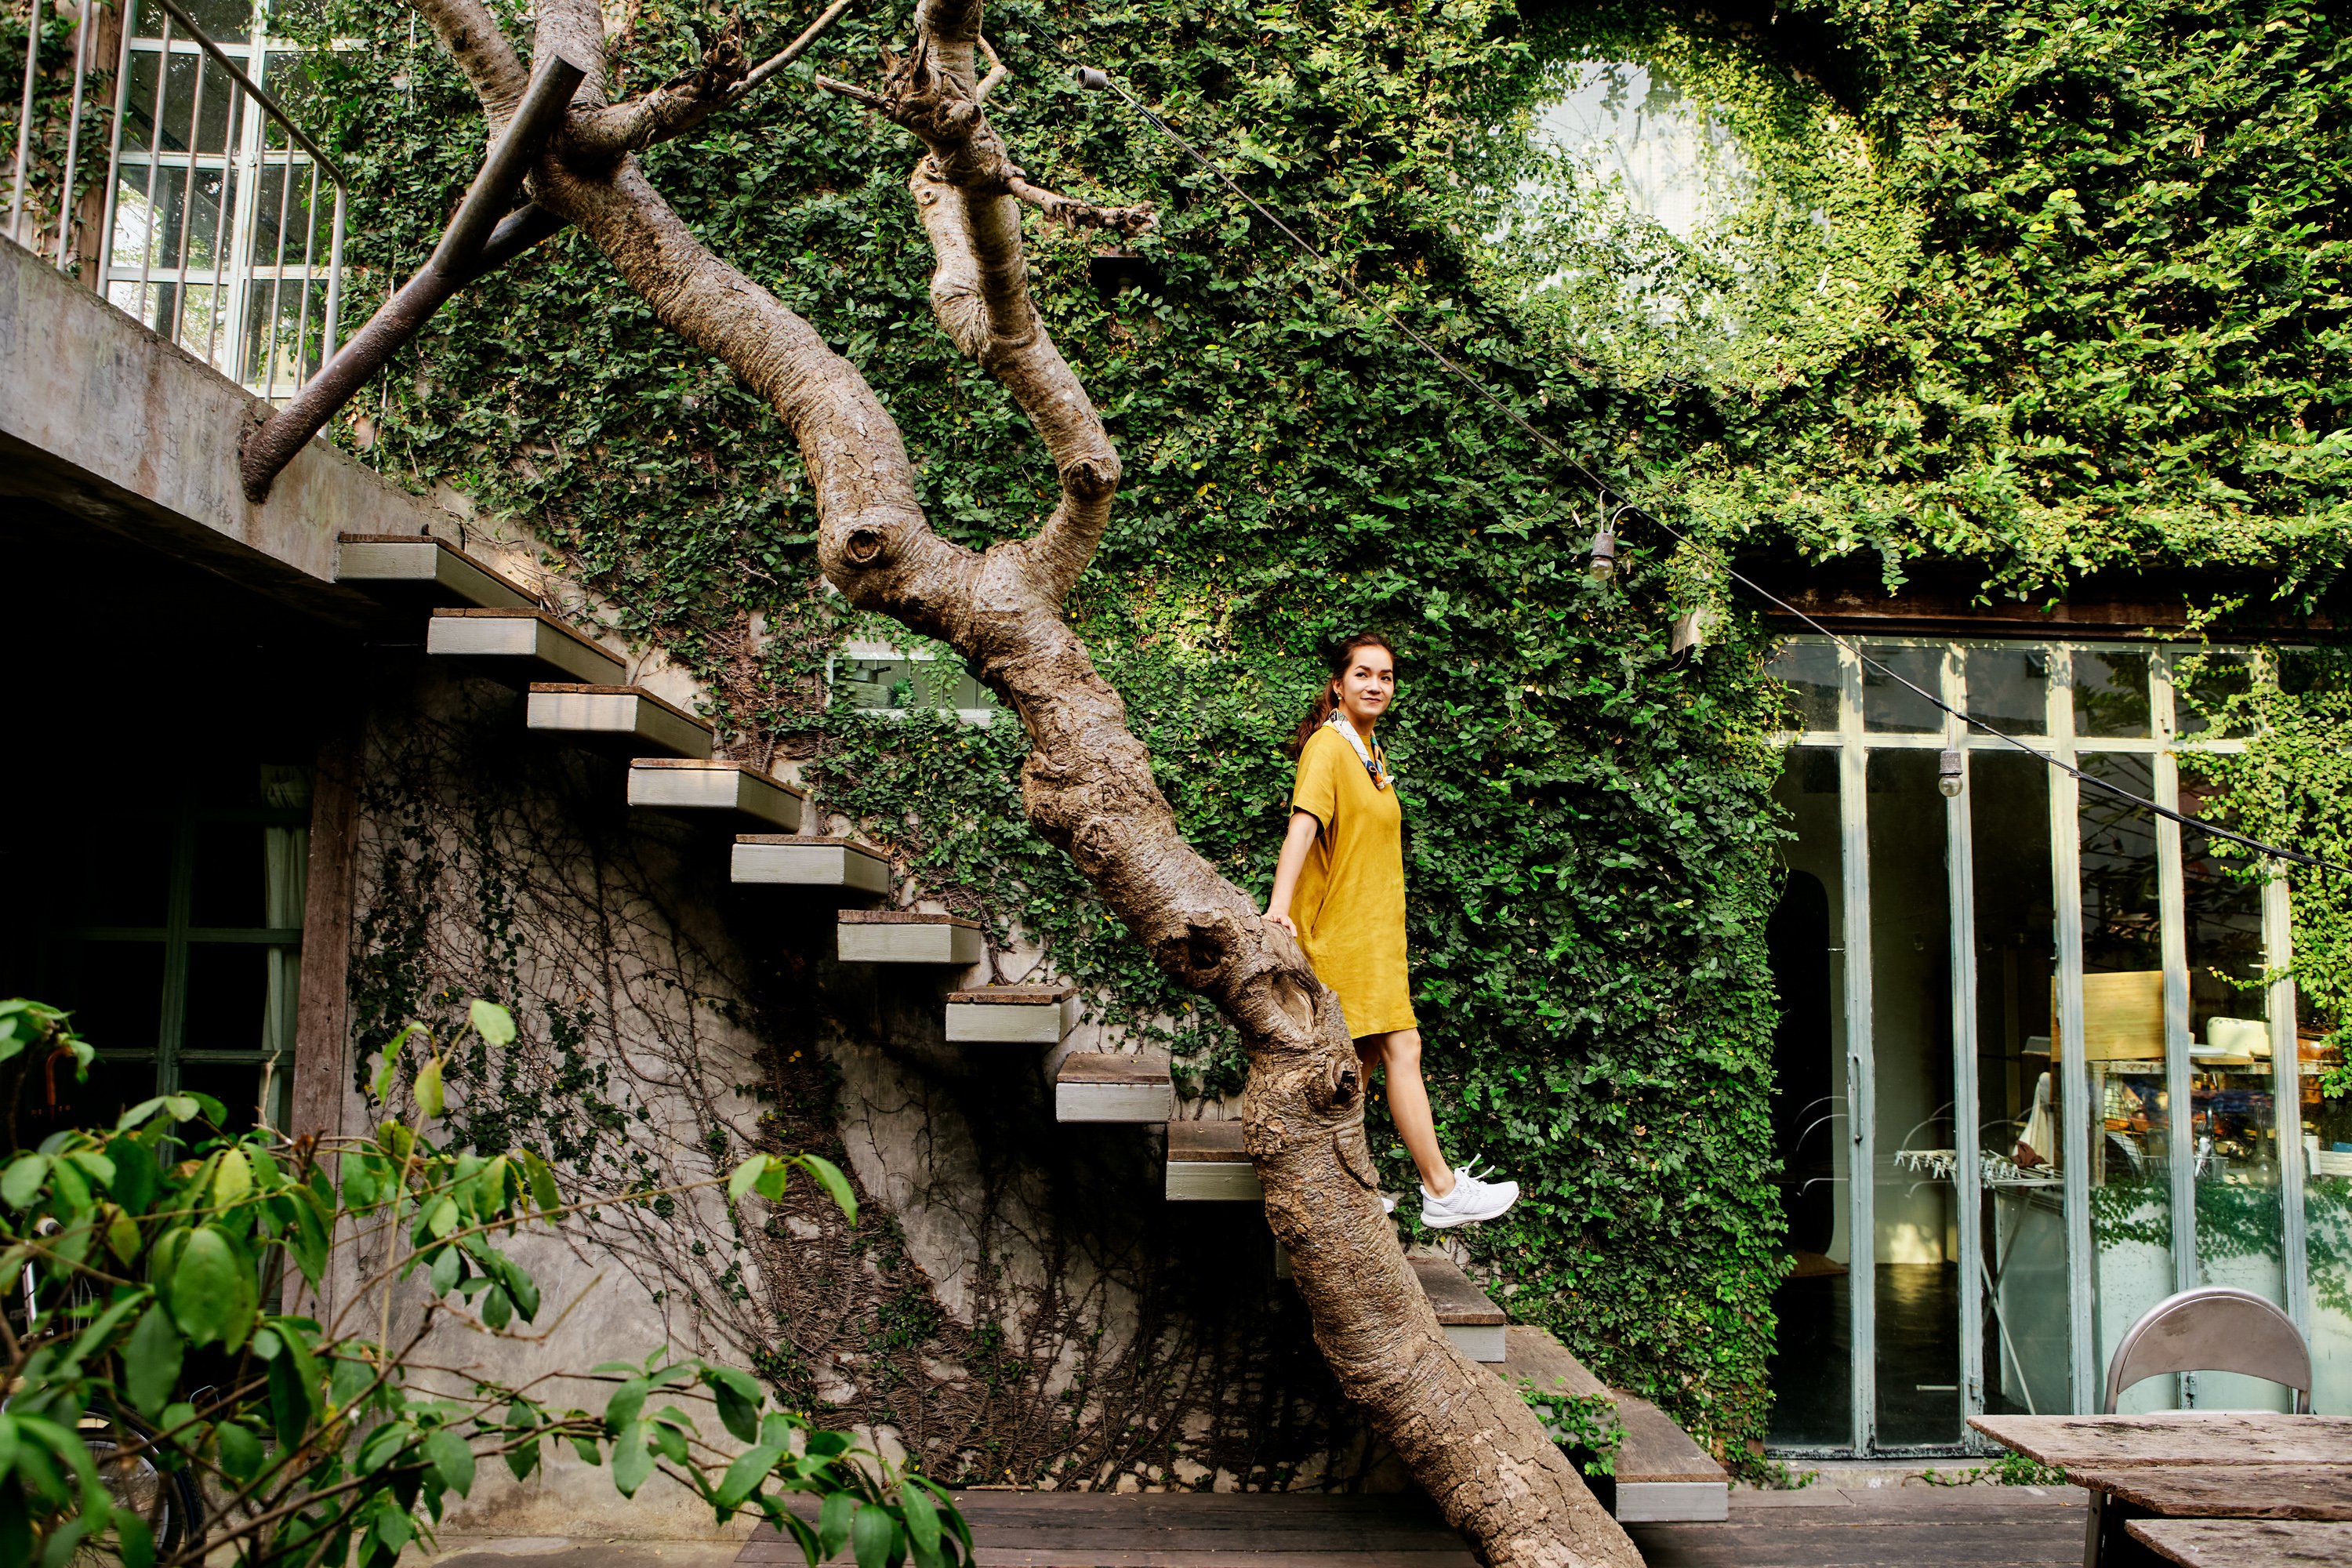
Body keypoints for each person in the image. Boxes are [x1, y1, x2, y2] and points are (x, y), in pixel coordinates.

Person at [1263, 633, 1519, 1229]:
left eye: (1386, 677)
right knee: (1400, 1048)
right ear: (1338, 684)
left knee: (1352, 1072)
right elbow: (1302, 827)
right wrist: (1280, 909)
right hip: (1343, 936)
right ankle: (1441, 1188)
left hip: (1373, 935)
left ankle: (1340, 1186)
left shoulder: (1367, 752)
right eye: (1363, 675)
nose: (1376, 685)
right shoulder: (1329, 748)